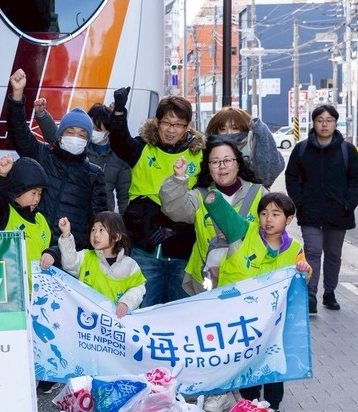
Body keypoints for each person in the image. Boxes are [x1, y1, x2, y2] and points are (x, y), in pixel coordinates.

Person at [202, 190, 311, 412]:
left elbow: (304, 275)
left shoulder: (294, 249)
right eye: (263, 213)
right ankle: (249, 404)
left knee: (272, 363)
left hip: (274, 320)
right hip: (243, 319)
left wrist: (304, 269)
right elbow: (223, 213)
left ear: (288, 219)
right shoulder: (244, 232)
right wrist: (212, 199)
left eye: (275, 214)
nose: (268, 219)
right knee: (248, 361)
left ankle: (273, 407)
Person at [107, 86, 205, 307]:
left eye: (178, 125)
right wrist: (119, 112)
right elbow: (120, 141)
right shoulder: (143, 146)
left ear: (187, 126)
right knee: (144, 309)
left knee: (182, 311)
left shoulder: (199, 154)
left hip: (183, 250)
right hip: (144, 247)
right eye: (166, 123)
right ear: (157, 122)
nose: (171, 130)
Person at [4, 68, 107, 250]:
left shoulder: (94, 173)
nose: (76, 137)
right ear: (60, 136)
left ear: (87, 141)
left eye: (82, 134)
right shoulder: (43, 156)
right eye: (71, 132)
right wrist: (17, 96)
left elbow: (99, 219)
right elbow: (18, 133)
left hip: (71, 254)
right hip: (34, 244)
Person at [0, 155, 57, 394]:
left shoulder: (42, 220)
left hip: (37, 303)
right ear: (17, 190)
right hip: (7, 300)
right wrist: (1, 176)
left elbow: (51, 243)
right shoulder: (2, 215)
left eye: (40, 193)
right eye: (32, 192)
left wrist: (52, 252)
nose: (36, 198)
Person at [284, 104, 358, 313]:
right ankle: (310, 294)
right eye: (320, 120)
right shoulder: (302, 149)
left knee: (333, 254)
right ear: (313, 123)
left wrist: (349, 203)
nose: (324, 124)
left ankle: (329, 292)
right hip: (309, 211)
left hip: (339, 212)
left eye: (329, 120)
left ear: (335, 123)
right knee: (312, 251)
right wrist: (298, 201)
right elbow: (291, 177)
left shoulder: (347, 150)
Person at [159, 139, 266, 295]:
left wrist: (242, 232)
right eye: (215, 162)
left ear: (238, 164)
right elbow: (175, 210)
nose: (222, 166)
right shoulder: (200, 195)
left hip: (248, 278)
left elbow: (275, 229)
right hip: (206, 280)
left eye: (228, 160)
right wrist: (178, 179)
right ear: (208, 167)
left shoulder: (259, 193)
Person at [56, 212, 145, 319]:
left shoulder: (130, 266)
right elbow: (69, 263)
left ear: (117, 236)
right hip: (87, 321)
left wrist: (126, 303)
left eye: (101, 230)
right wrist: (66, 235)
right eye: (93, 230)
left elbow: (138, 288)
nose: (96, 234)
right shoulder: (86, 257)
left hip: (116, 325)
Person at [205, 106, 284, 188]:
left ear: (244, 128)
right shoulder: (208, 150)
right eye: (222, 129)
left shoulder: (254, 147)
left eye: (235, 128)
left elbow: (270, 172)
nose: (229, 133)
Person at [86, 103, 131, 213]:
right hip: (79, 212)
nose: (93, 133)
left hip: (104, 216)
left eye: (98, 129)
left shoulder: (119, 155)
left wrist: (123, 225)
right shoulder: (81, 148)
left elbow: (124, 196)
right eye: (91, 128)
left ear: (107, 131)